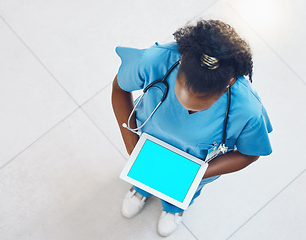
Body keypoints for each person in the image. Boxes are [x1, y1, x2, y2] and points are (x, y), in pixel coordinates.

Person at [111, 19, 272, 237]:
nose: (187, 102)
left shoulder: (247, 110)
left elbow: (250, 153)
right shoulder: (155, 60)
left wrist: (195, 174)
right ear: (182, 59)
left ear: (230, 82)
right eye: (184, 88)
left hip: (194, 167)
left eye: (203, 99)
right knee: (143, 176)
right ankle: (140, 191)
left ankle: (173, 210)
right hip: (146, 149)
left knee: (180, 193)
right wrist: (132, 147)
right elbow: (119, 88)